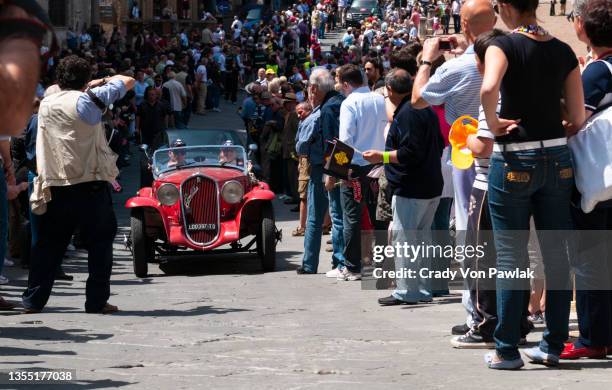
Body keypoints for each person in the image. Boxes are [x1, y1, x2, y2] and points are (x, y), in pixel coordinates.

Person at [480, 0, 584, 369]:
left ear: (506, 6)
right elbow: (577, 115)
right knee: (557, 255)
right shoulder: (563, 50)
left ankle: (507, 348)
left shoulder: (502, 45)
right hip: (557, 157)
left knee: (511, 255)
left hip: (514, 158)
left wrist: (492, 123)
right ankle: (553, 344)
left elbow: (489, 87)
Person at [23, 56, 136, 314]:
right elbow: (128, 81)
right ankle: (96, 301)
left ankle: (33, 301)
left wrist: (87, 83)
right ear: (85, 79)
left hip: (56, 184)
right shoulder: (89, 100)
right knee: (100, 244)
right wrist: (103, 80)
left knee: (48, 247)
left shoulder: (46, 102)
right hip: (89, 184)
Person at [411, 0, 496, 337]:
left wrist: (428, 59)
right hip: (502, 152)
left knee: (468, 234)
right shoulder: (504, 58)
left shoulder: (456, 68)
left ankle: (477, 314)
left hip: (466, 154)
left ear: (462, 24)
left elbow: (419, 98)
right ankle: (501, 311)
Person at [363, 68, 444, 305]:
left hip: (413, 186)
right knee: (421, 239)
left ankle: (407, 291)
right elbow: (436, 144)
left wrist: (382, 156)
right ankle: (421, 289)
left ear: (389, 91)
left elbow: (411, 152)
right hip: (429, 184)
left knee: (406, 239)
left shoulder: (409, 112)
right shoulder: (423, 108)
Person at [562, 0, 612, 360]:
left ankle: (593, 337)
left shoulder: (597, 71)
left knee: (591, 258)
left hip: (596, 183)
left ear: (584, 28)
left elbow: (574, 120)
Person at [335, 64, 388, 281]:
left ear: (346, 84)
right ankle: (383, 263)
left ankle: (353, 266)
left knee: (352, 216)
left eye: (338, 81)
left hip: (356, 167)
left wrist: (341, 170)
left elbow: (345, 140)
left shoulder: (349, 103)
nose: (337, 86)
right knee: (380, 215)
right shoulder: (379, 98)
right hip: (379, 163)